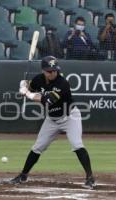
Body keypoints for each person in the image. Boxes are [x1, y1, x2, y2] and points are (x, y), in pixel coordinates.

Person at [11, 56, 95, 189]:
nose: (52, 73)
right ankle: (23, 175)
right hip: (52, 119)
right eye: (49, 71)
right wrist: (23, 85)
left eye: (54, 70)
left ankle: (90, 177)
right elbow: (29, 85)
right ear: (43, 71)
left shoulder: (62, 83)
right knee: (37, 147)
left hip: (70, 117)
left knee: (77, 144)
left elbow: (46, 100)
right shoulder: (39, 79)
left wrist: (27, 94)